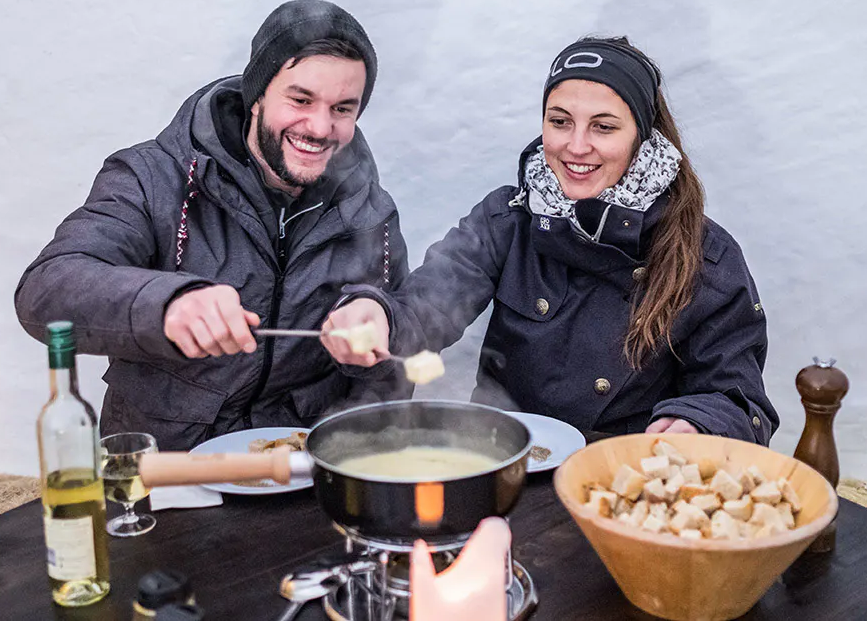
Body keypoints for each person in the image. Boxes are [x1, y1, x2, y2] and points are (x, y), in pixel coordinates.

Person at [322, 35, 777, 442]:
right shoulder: (508, 219)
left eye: (603, 126)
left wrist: (697, 422)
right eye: (560, 122)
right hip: (502, 461)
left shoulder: (705, 256)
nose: (576, 146)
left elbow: (738, 399)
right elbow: (424, 308)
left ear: (643, 136)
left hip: (621, 484)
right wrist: (377, 314)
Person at [16, 0, 410, 450]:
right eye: (300, 100)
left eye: (343, 108)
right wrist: (168, 304)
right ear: (257, 94)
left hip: (303, 473)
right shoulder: (152, 177)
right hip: (166, 469)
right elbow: (44, 292)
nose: (320, 127)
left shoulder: (372, 214)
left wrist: (381, 334)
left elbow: (398, 355)